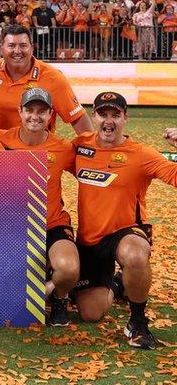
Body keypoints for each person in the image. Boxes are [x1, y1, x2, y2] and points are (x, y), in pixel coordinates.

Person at [70, 92, 177, 349]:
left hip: (125, 232)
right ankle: (118, 285)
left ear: (125, 118)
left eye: (115, 115)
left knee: (136, 254)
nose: (109, 121)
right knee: (90, 313)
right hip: (89, 240)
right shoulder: (80, 147)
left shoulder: (142, 154)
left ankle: (137, 322)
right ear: (93, 117)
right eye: (103, 114)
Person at [0, 88, 78, 326]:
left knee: (69, 269)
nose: (35, 116)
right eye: (29, 110)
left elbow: (91, 171)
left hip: (52, 224)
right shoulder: (0, 139)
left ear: (51, 115)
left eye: (42, 112)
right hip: (13, 228)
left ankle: (57, 295)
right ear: (19, 112)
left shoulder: (63, 148)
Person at [0, 24, 92, 134]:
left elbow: (78, 118)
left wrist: (89, 149)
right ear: (1, 48)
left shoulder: (53, 77)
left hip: (35, 151)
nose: (17, 51)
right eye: (11, 45)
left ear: (32, 48)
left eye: (23, 45)